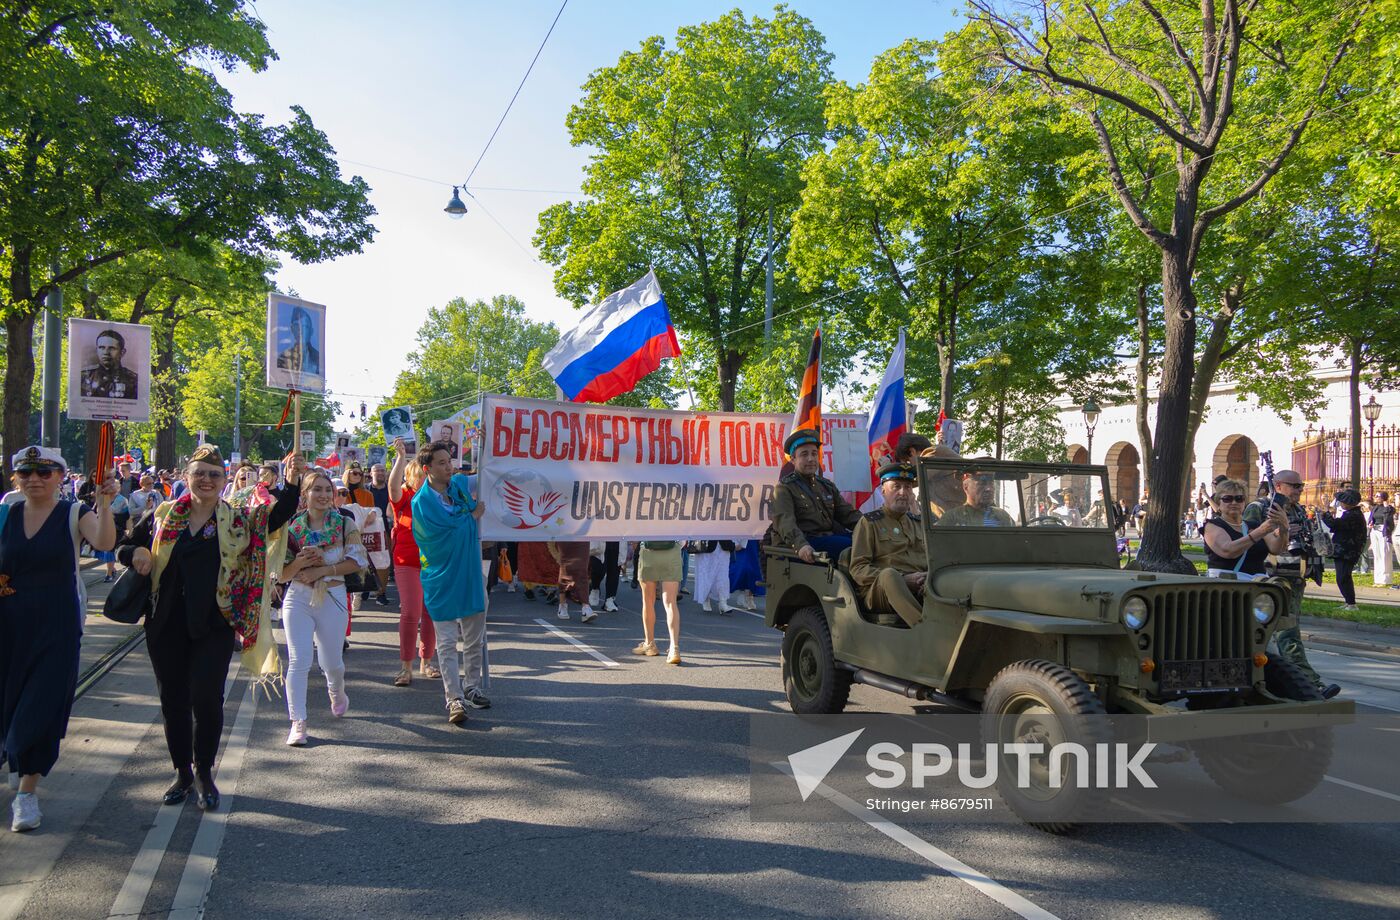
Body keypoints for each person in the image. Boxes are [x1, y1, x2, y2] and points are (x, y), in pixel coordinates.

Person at [119, 446, 305, 810]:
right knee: (173, 700)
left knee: (206, 698)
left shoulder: (238, 518)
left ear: (223, 481)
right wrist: (136, 554)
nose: (206, 480)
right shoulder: (161, 515)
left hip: (214, 623)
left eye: (214, 475)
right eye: (199, 473)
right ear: (187, 478)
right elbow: (124, 546)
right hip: (165, 622)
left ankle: (204, 771)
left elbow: (278, 514)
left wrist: (293, 481)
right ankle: (182, 772)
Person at [1, 447, 116, 832]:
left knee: (41, 706)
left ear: (60, 477)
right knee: (8, 702)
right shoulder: (5, 513)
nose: (34, 479)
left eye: (44, 472)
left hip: (57, 623)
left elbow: (102, 542)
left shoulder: (72, 512)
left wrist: (104, 503)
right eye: (26, 472)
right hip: (9, 622)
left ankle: (26, 795)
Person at [279, 471, 366, 746]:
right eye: (316, 490)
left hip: (333, 596)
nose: (324, 495)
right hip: (298, 599)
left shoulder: (344, 524)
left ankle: (336, 690)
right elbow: (281, 575)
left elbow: (357, 562)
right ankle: (298, 722)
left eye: (327, 490)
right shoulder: (290, 528)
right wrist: (300, 563)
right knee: (299, 661)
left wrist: (322, 570)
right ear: (304, 494)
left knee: (332, 664)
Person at [1242, 469, 1340, 700]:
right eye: (1294, 485)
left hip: (1296, 575)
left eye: (1301, 486)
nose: (1299, 490)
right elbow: (1249, 538)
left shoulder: (1297, 509)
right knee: (1288, 632)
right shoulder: (1259, 507)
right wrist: (1278, 530)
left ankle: (1274, 680)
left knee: (1275, 634)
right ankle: (1310, 684)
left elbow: (1306, 540)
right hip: (1273, 576)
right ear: (1278, 485)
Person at [411, 440, 489, 724]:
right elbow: (433, 540)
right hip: (440, 577)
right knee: (445, 642)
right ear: (427, 468)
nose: (449, 467)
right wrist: (471, 516)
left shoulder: (458, 486)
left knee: (473, 637)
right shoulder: (420, 503)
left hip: (469, 572)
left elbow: (489, 472)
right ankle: (453, 697)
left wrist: (486, 438)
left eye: (449, 461)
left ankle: (472, 687)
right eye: (442, 463)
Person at [849, 462, 926, 627]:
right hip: (880, 592)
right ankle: (923, 628)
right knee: (890, 575)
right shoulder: (869, 522)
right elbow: (858, 568)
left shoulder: (918, 523)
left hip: (921, 586)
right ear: (883, 491)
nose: (903, 493)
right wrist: (902, 579)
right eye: (896, 487)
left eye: (907, 487)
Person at [387, 440, 437, 687]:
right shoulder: (404, 497)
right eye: (418, 475)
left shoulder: (436, 498)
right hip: (406, 561)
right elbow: (392, 486)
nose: (423, 479)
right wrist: (401, 458)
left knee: (430, 613)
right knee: (411, 612)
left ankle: (426, 661)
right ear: (409, 477)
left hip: (433, 562)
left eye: (425, 474)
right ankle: (405, 666)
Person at [771, 428, 861, 563]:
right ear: (793, 459)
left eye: (814, 454)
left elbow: (848, 514)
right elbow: (785, 523)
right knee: (850, 547)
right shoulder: (784, 488)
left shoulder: (826, 486)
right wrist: (801, 545)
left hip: (829, 539)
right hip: (806, 545)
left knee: (866, 542)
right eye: (804, 454)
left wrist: (873, 528)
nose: (811, 459)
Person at [1202, 478, 1287, 580]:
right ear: (1218, 502)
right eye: (1227, 499)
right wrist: (1260, 532)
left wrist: (1284, 528)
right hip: (1227, 585)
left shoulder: (1254, 525)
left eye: (1239, 498)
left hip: (1258, 585)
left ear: (1244, 502)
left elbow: (1276, 549)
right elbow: (1228, 550)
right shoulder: (1212, 525)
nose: (1234, 502)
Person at [634, 541, 682, 664]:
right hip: (672, 551)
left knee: (648, 601)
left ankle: (650, 643)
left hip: (649, 552)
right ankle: (674, 648)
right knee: (671, 602)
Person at [1322, 490, 1368, 611]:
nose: (1341, 503)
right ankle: (1349, 602)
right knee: (1343, 576)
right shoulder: (1351, 514)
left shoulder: (1353, 515)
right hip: (1345, 550)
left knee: (1343, 577)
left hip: (1347, 551)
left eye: (1342, 501)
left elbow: (1333, 524)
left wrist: (1326, 510)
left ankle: (1351, 603)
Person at [936, 465, 1016, 527]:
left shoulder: (1002, 516)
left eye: (991, 483)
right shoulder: (952, 518)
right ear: (966, 487)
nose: (988, 489)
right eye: (981, 484)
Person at [79, 328, 140, 399]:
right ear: (97, 350)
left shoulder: (134, 380)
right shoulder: (84, 377)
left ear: (122, 352)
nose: (106, 352)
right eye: (102, 348)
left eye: (112, 348)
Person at [552, 540, 595, 622]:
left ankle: (585, 607)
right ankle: (562, 605)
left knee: (583, 568)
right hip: (564, 533)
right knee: (566, 568)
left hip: (582, 534)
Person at [690, 539, 736, 614]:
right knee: (705, 572)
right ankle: (705, 598)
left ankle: (723, 601)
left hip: (724, 543)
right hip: (706, 542)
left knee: (723, 574)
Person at [275, 306, 321, 376]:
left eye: (305, 326)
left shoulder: (319, 358)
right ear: (292, 329)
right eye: (297, 326)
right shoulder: (283, 357)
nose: (301, 330)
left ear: (311, 331)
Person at [1370, 491, 1395, 587]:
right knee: (1377, 555)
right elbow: (1372, 518)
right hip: (1375, 531)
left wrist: (1386, 506)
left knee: (1385, 555)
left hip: (1383, 533)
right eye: (1375, 496)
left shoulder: (1389, 508)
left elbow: (1388, 517)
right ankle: (1378, 579)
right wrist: (1371, 523)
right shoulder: (1375, 508)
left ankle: (1386, 580)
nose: (1375, 497)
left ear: (1383, 497)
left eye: (1377, 496)